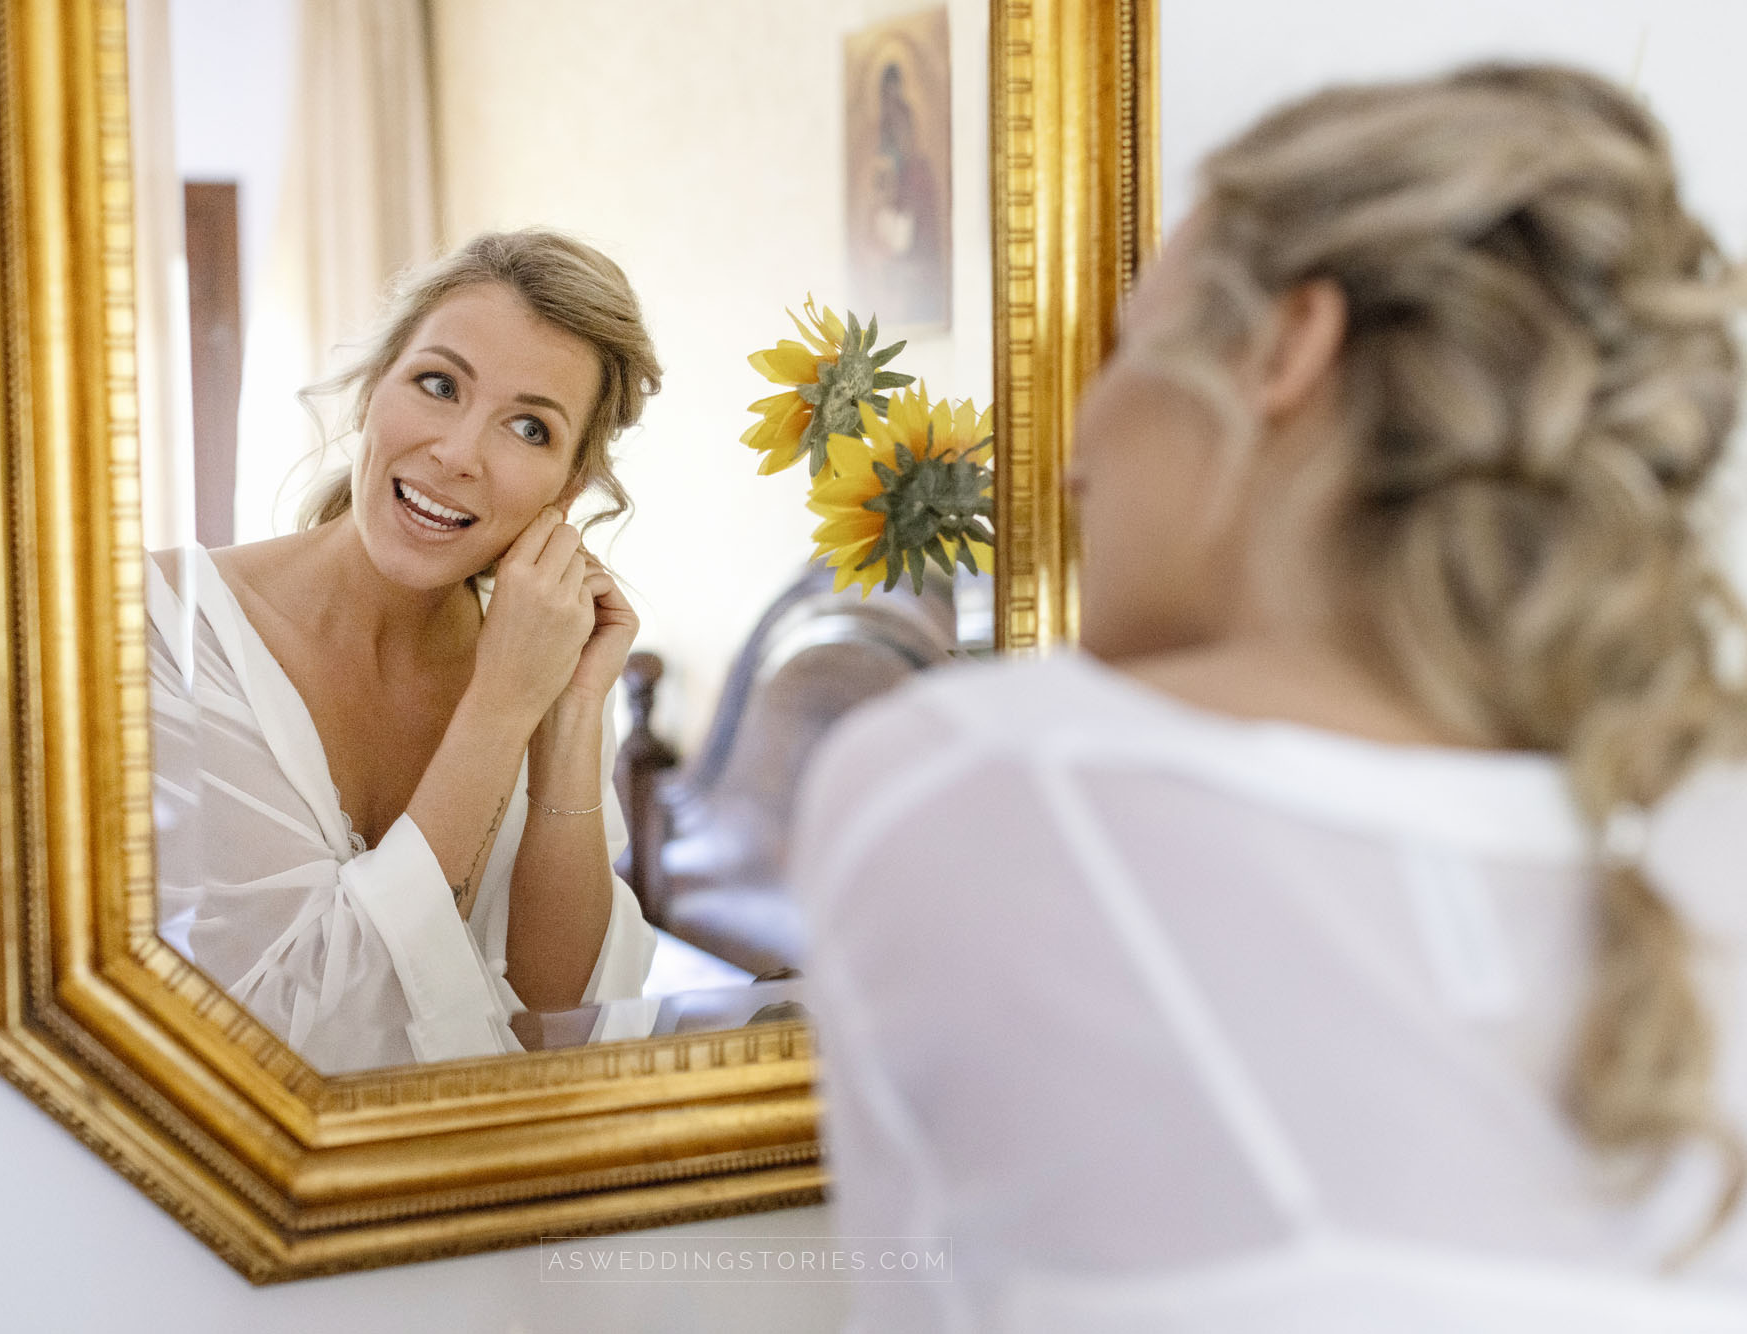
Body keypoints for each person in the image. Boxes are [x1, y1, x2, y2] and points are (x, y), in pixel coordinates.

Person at [795, 64, 1747, 1330]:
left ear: (1288, 347)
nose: (1073, 456)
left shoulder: (983, 784)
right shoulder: (1692, 822)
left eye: (1127, 345)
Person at [146, 229, 660, 1074]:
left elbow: (562, 1022)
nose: (458, 454)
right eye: (437, 384)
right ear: (370, 391)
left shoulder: (543, 656)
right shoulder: (163, 629)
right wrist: (497, 707)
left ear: (567, 489)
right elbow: (297, 1039)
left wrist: (565, 717)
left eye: (529, 428)